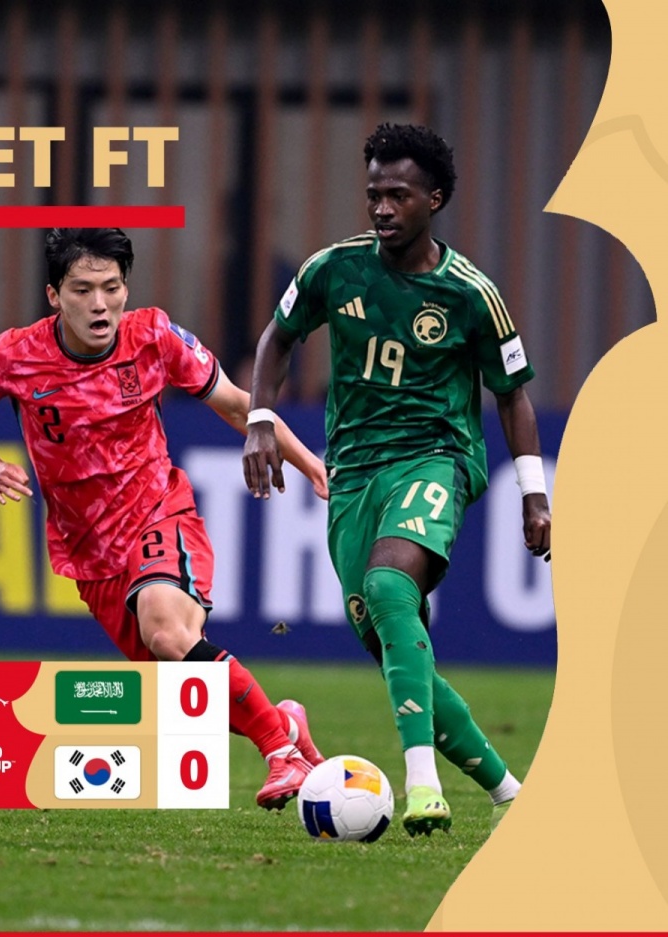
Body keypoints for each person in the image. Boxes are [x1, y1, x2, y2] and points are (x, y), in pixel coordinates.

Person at [0, 227, 327, 811]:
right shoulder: (11, 356)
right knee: (184, 683)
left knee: (168, 632)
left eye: (112, 287)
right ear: (54, 296)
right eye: (82, 290)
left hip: (158, 512)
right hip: (89, 552)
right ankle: (285, 725)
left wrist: (309, 463)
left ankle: (282, 752)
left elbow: (235, 403)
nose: (100, 304)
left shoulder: (153, 336)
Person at [242, 123, 552, 837]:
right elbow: (277, 338)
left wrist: (534, 495)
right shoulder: (333, 269)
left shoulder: (471, 294)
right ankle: (511, 792)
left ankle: (422, 783)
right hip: (353, 473)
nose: (382, 208)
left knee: (388, 587)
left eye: (398, 195)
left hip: (436, 457)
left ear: (433, 200)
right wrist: (260, 418)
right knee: (390, 641)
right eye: (374, 194)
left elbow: (512, 396)